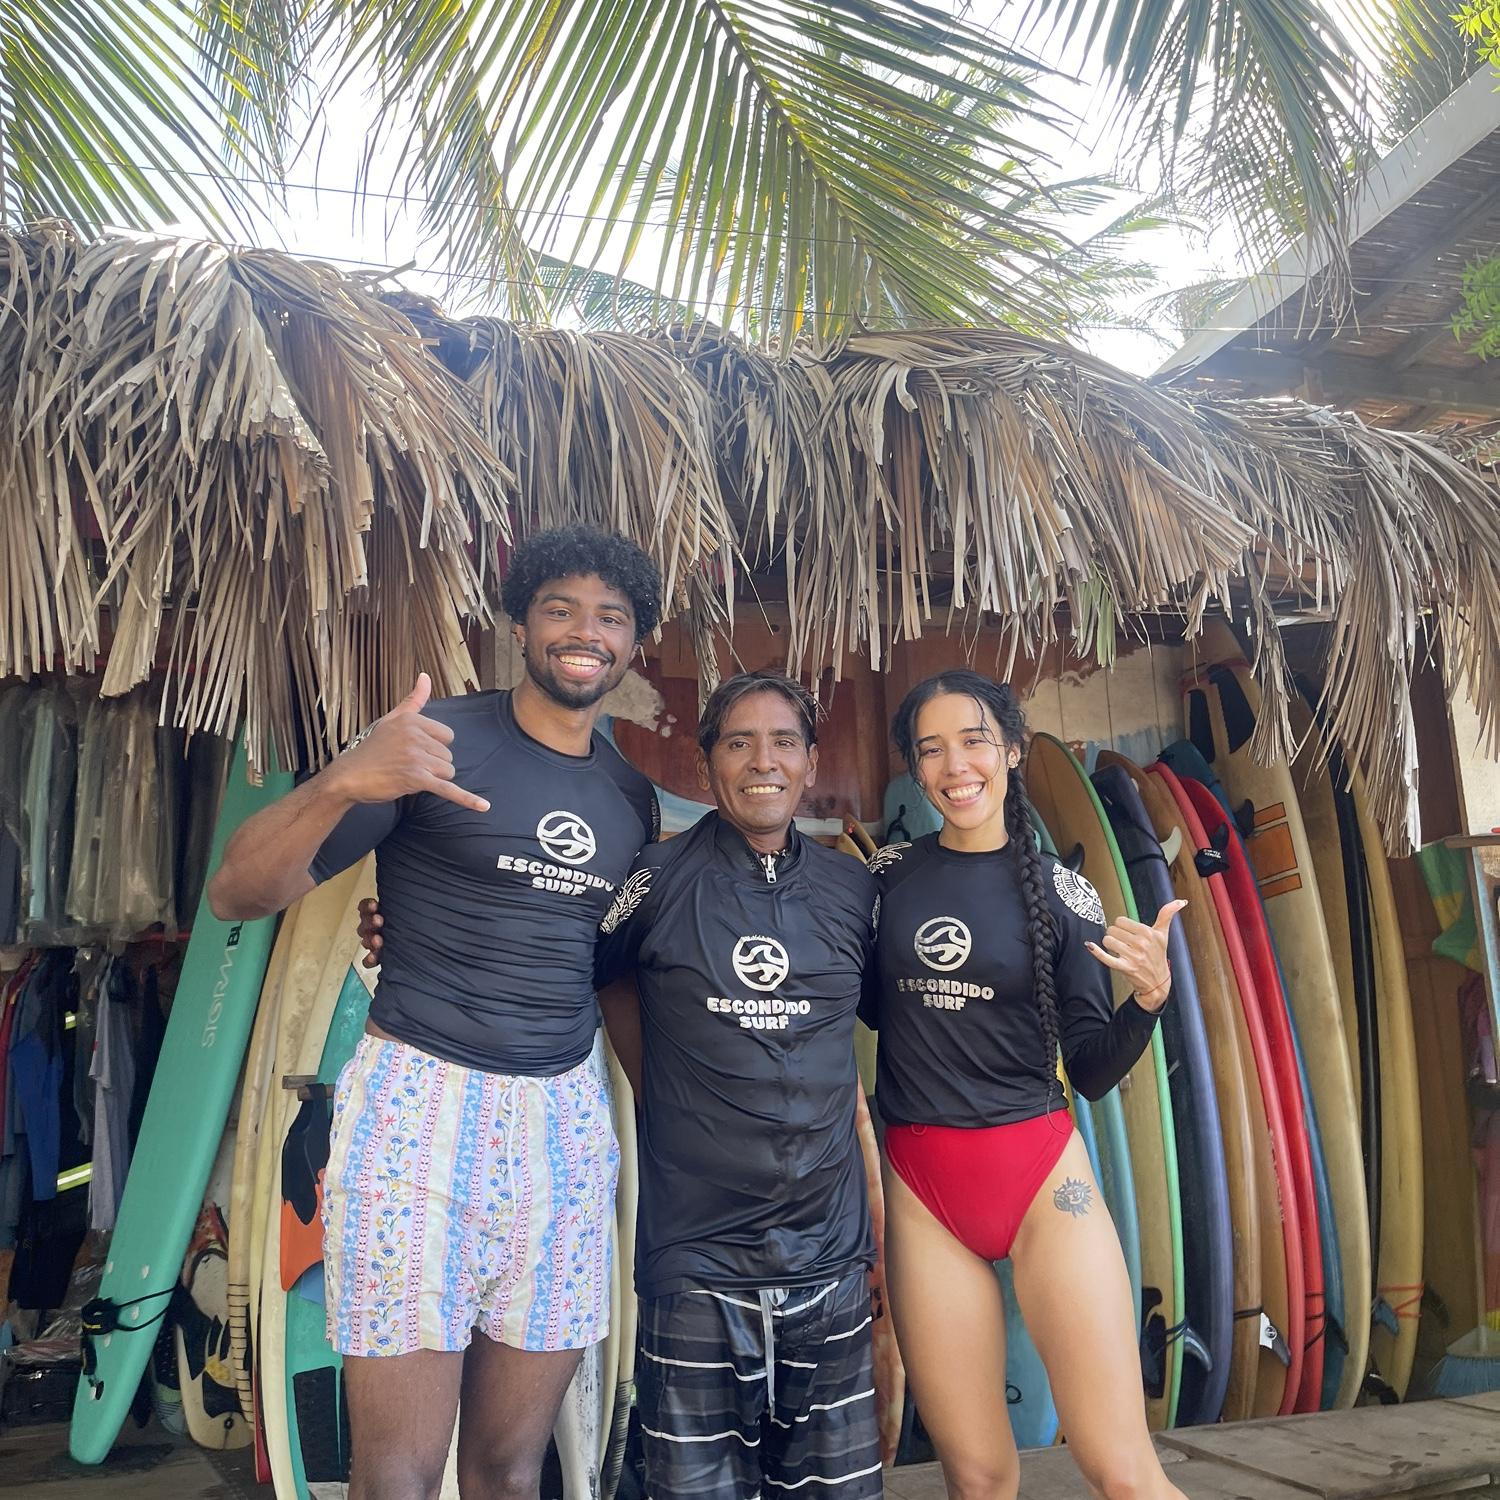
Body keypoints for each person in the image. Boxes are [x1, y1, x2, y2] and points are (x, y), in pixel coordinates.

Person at [206, 526, 663, 1500]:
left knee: (508, 1467)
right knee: (400, 1473)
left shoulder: (630, 799)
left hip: (563, 1128)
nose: (586, 632)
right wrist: (344, 778)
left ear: (633, 645)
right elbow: (236, 893)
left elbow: (612, 973)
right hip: (421, 1110)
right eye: (561, 608)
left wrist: (670, 1120)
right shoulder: (431, 744)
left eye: (611, 617)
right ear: (519, 622)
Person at [361, 669, 884, 1500]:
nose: (763, 761)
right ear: (707, 763)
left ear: (812, 762)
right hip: (696, 1263)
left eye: (784, 741)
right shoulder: (652, 877)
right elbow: (580, 966)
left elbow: (899, 1025)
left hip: (828, 1263)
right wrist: (410, 933)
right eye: (738, 742)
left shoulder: (856, 892)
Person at [863, 668, 1186, 1500]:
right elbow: (860, 1008)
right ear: (915, 768)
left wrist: (1149, 1001)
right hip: (922, 1188)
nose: (955, 766)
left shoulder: (1060, 890)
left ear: (1010, 749)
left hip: (1042, 1180)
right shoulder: (887, 880)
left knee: (1121, 1469)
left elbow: (1090, 1068)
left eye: (974, 741)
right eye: (931, 749)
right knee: (977, 1476)